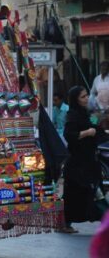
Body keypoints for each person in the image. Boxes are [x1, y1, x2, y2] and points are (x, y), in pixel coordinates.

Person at [61, 86, 109, 233]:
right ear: (75, 99)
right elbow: (70, 135)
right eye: (83, 96)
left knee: (94, 192)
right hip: (77, 165)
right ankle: (66, 223)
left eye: (87, 95)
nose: (87, 98)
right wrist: (88, 132)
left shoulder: (86, 114)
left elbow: (97, 130)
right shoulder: (72, 115)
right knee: (76, 195)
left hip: (89, 162)